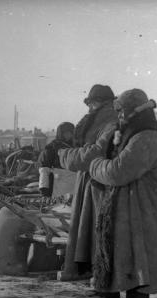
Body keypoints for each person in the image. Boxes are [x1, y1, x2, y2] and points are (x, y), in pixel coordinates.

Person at [87, 89, 157, 298]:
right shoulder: (133, 135)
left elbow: (118, 171)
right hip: (135, 206)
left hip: (147, 209)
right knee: (127, 253)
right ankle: (115, 296)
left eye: (121, 110)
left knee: (140, 257)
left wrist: (94, 165)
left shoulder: (145, 138)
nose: (119, 115)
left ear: (133, 111)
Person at [57, 84, 118, 281]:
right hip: (90, 181)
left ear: (99, 103)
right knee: (90, 230)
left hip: (99, 184)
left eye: (91, 103)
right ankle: (93, 272)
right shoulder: (104, 119)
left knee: (96, 230)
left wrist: (66, 156)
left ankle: (100, 276)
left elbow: (94, 153)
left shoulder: (110, 121)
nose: (89, 108)